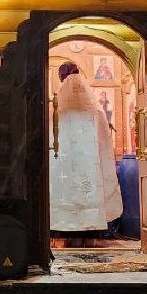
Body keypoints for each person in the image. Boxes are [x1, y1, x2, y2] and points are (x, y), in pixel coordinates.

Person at [49, 62, 120, 241]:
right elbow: (104, 137)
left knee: (66, 193)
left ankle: (65, 236)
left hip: (64, 164)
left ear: (61, 77)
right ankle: (90, 235)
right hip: (89, 164)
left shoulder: (58, 106)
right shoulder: (94, 108)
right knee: (89, 192)